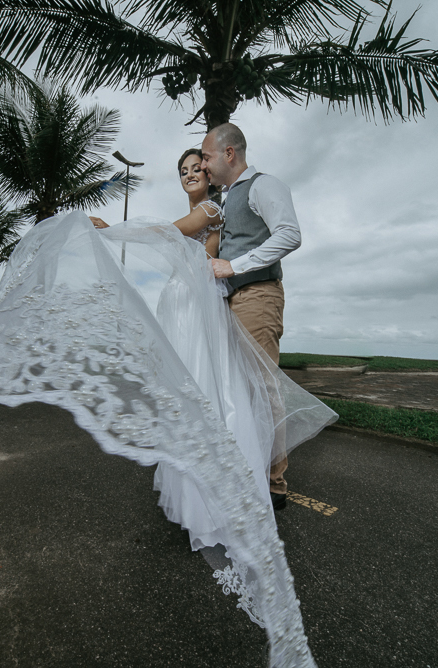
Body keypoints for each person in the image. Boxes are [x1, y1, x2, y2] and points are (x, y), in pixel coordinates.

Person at [0, 146, 336, 668]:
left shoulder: (217, 210)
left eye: (197, 168)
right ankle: (210, 488)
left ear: (214, 169)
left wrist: (107, 230)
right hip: (184, 305)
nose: (189, 175)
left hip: (201, 307)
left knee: (215, 396)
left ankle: (234, 494)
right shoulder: (207, 212)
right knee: (194, 396)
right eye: (181, 171)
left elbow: (168, 233)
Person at [201, 123, 300, 510]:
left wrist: (235, 266)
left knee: (262, 387)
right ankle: (249, 469)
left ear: (229, 153)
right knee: (240, 389)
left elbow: (290, 234)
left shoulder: (263, 185)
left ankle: (274, 483)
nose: (204, 165)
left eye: (207, 157)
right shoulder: (225, 198)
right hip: (231, 301)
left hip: (257, 296)